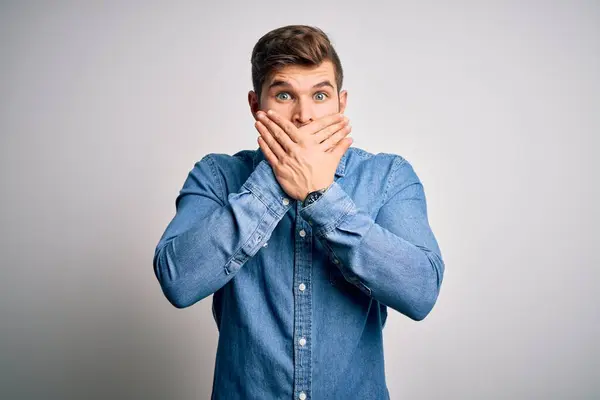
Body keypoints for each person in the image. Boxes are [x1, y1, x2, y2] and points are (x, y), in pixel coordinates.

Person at [153, 24, 445, 400]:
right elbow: (178, 281)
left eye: (320, 95)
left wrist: (320, 195)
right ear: (256, 106)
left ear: (341, 103)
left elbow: (420, 292)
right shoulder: (216, 176)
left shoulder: (388, 176)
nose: (304, 115)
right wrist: (274, 181)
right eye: (285, 94)